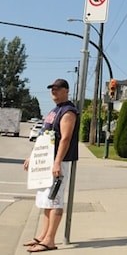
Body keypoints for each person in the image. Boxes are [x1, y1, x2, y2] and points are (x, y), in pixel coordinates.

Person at [23, 78, 79, 253]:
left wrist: (57, 162)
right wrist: (32, 156)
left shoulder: (68, 111)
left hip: (59, 162)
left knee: (54, 200)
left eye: (57, 88)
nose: (53, 91)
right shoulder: (54, 111)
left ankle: (50, 240)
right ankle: (42, 235)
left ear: (66, 90)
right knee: (46, 200)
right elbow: (44, 137)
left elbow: (66, 138)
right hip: (46, 161)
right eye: (52, 89)